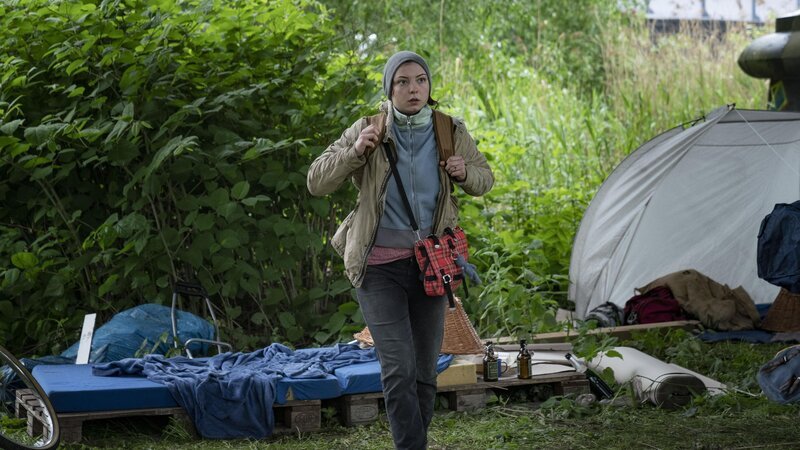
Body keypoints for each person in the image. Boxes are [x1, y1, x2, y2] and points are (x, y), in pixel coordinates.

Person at [307, 51, 493, 450]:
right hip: (378, 269)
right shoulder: (369, 128)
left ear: (429, 86)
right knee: (398, 368)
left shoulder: (448, 129)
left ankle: (414, 442)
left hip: (431, 268)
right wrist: (355, 152)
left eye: (421, 80)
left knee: (424, 370)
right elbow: (316, 181)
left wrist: (465, 172)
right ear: (389, 89)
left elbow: (484, 178)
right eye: (403, 82)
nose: (413, 89)